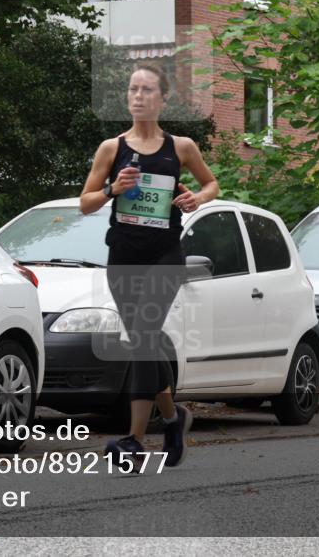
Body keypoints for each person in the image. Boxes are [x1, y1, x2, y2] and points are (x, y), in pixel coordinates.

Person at [79, 63, 219, 469]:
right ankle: (173, 419)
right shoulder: (111, 148)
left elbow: (212, 184)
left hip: (164, 257)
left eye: (147, 90)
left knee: (144, 336)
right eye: (132, 89)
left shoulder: (182, 147)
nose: (138, 96)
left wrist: (199, 198)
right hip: (123, 255)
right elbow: (85, 202)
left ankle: (135, 439)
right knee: (144, 341)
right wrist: (111, 189)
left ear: (162, 98)